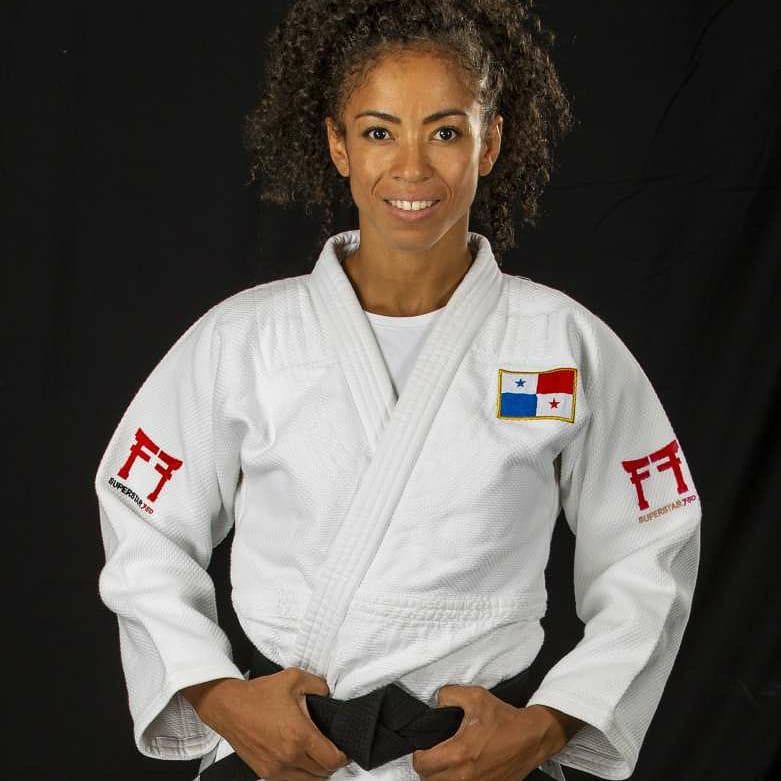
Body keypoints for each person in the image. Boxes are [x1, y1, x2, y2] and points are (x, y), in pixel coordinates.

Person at [95, 2, 701, 780]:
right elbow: (142, 525)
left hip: (477, 758)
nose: (411, 168)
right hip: (289, 755)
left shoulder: (560, 344)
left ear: (490, 142)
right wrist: (219, 696)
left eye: (444, 132)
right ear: (337, 144)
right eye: (379, 132)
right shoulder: (242, 340)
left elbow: (652, 547)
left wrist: (548, 724)